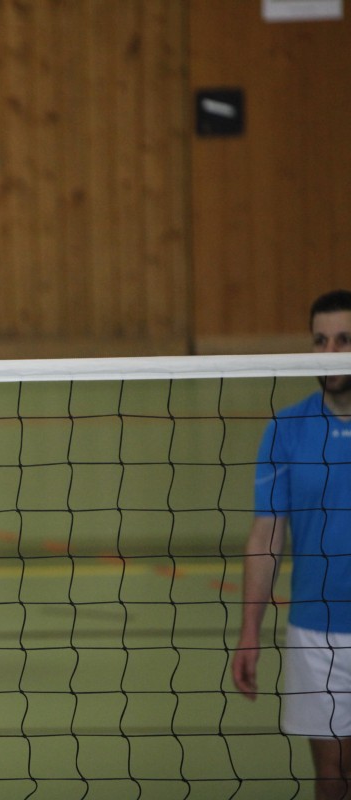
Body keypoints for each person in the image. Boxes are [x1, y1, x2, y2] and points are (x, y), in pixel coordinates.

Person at [231, 289, 351, 800]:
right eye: (320, 341)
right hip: (315, 634)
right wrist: (249, 632)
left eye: (343, 340)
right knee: (333, 777)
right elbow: (266, 536)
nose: (330, 353)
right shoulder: (285, 429)